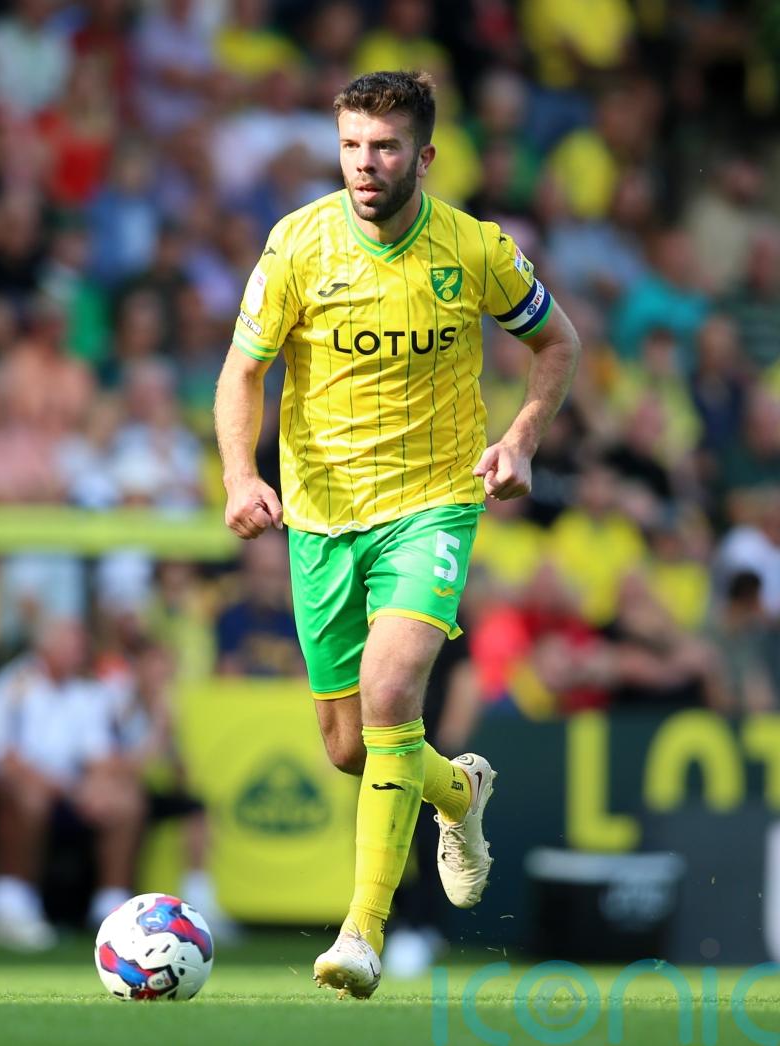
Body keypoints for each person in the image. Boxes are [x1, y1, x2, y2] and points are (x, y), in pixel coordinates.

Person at [214, 70, 580, 998]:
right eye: (350, 147)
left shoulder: (476, 250)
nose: (364, 165)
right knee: (349, 745)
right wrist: (241, 474)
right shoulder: (297, 244)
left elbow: (558, 343)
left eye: (382, 148)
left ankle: (361, 934)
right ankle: (458, 792)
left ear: (424, 155)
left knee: (389, 691)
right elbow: (240, 372)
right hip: (322, 520)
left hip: (433, 506)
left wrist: (521, 439)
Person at [0, 617, 143, 950]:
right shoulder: (11, 685)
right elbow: (1, 755)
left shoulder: (89, 692)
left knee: (127, 801)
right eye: (70, 645)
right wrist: (67, 788)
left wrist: (97, 786)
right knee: (30, 796)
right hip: (15, 787)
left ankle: (111, 909)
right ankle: (13, 904)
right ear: (45, 647)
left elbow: (99, 755)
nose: (78, 652)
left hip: (70, 789)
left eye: (80, 646)